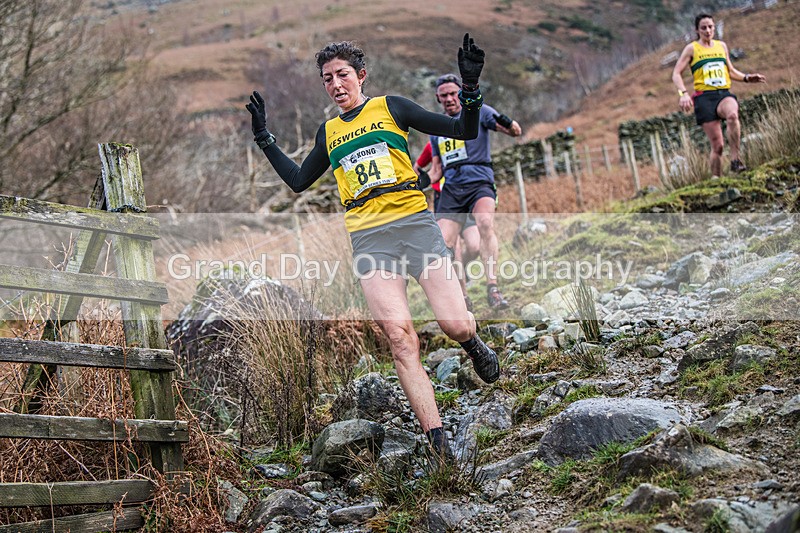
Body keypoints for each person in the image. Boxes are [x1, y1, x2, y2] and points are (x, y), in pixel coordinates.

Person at [246, 34, 499, 458]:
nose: (335, 84)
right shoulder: (328, 132)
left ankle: (472, 344)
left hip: (416, 227)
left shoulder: (392, 107)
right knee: (401, 340)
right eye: (327, 78)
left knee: (455, 325)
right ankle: (437, 440)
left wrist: (470, 89)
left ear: (360, 75)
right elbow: (297, 181)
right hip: (369, 238)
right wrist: (264, 139)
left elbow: (462, 129)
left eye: (342, 74)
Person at [428, 73, 522, 310]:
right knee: (446, 242)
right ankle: (463, 297)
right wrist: (413, 182)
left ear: (460, 92)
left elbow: (515, 132)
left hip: (480, 180)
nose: (449, 99)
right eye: (444, 96)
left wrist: (506, 120)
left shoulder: (480, 112)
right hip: (451, 187)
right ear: (438, 99)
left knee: (485, 224)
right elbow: (436, 170)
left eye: (452, 93)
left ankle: (493, 288)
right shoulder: (436, 128)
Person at [672, 13, 766, 177]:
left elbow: (729, 71)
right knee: (718, 146)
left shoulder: (721, 46)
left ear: (714, 28)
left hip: (723, 93)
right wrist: (683, 93)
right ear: (697, 30)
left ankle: (736, 161)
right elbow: (676, 73)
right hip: (704, 98)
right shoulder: (692, 48)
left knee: (732, 115)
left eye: (710, 27)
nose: (708, 31)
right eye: (703, 28)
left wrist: (746, 78)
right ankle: (717, 180)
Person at [414, 141, 480, 311]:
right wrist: (420, 183)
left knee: (474, 247)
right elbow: (417, 167)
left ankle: (462, 269)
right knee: (454, 247)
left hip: (465, 195)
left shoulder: (463, 137)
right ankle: (464, 297)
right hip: (444, 201)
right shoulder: (432, 144)